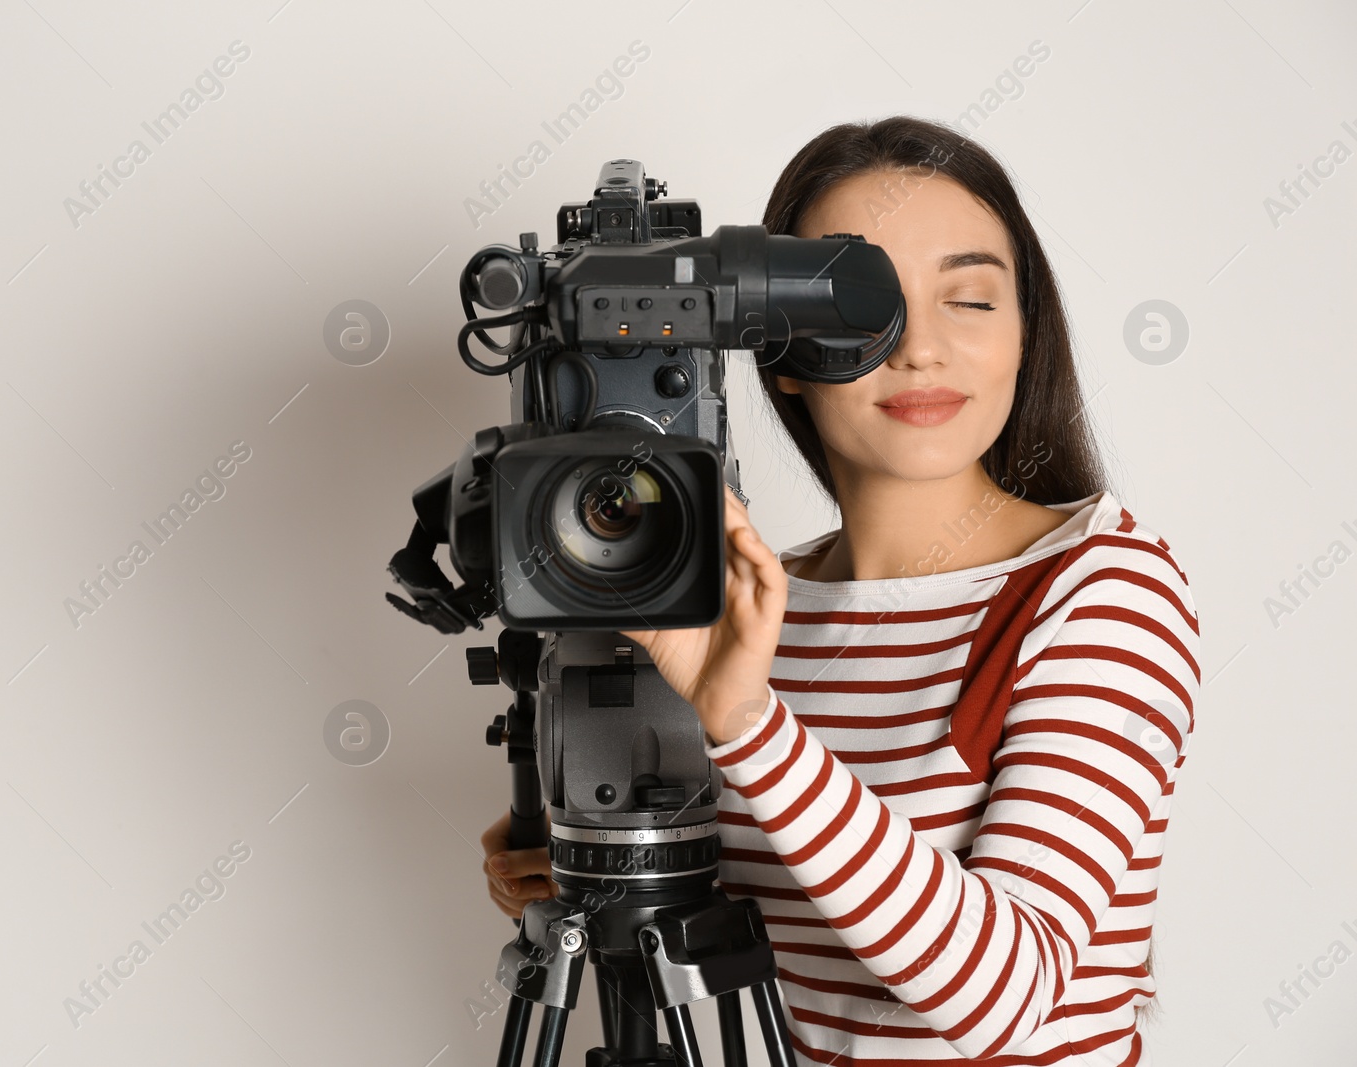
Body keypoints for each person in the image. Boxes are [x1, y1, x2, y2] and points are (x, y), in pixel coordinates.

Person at [482, 115, 1198, 1064]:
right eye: (868, 306)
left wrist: (748, 723)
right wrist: (574, 845)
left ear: (1028, 333)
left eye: (972, 300)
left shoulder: (1104, 588)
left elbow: (1003, 997)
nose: (921, 349)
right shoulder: (744, 604)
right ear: (776, 354)